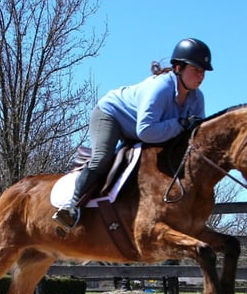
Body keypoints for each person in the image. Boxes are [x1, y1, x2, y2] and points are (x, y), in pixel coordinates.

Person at [53, 37, 213, 231]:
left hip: (140, 130)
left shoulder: (197, 98)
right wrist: (180, 123)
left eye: (203, 71)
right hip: (111, 116)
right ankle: (71, 206)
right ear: (178, 68)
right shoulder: (161, 87)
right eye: (196, 69)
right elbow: (145, 131)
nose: (201, 75)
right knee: (102, 157)